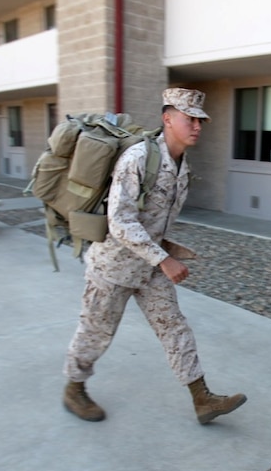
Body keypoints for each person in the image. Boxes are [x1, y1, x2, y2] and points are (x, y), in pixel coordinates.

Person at [62, 88, 247, 425]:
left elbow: (156, 220)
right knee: (96, 331)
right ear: (167, 119)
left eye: (199, 120)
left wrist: (164, 255)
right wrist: (164, 259)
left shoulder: (181, 165)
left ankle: (201, 398)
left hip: (149, 269)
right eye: (189, 118)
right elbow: (119, 221)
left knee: (174, 327)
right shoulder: (137, 159)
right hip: (113, 267)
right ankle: (74, 388)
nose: (197, 126)